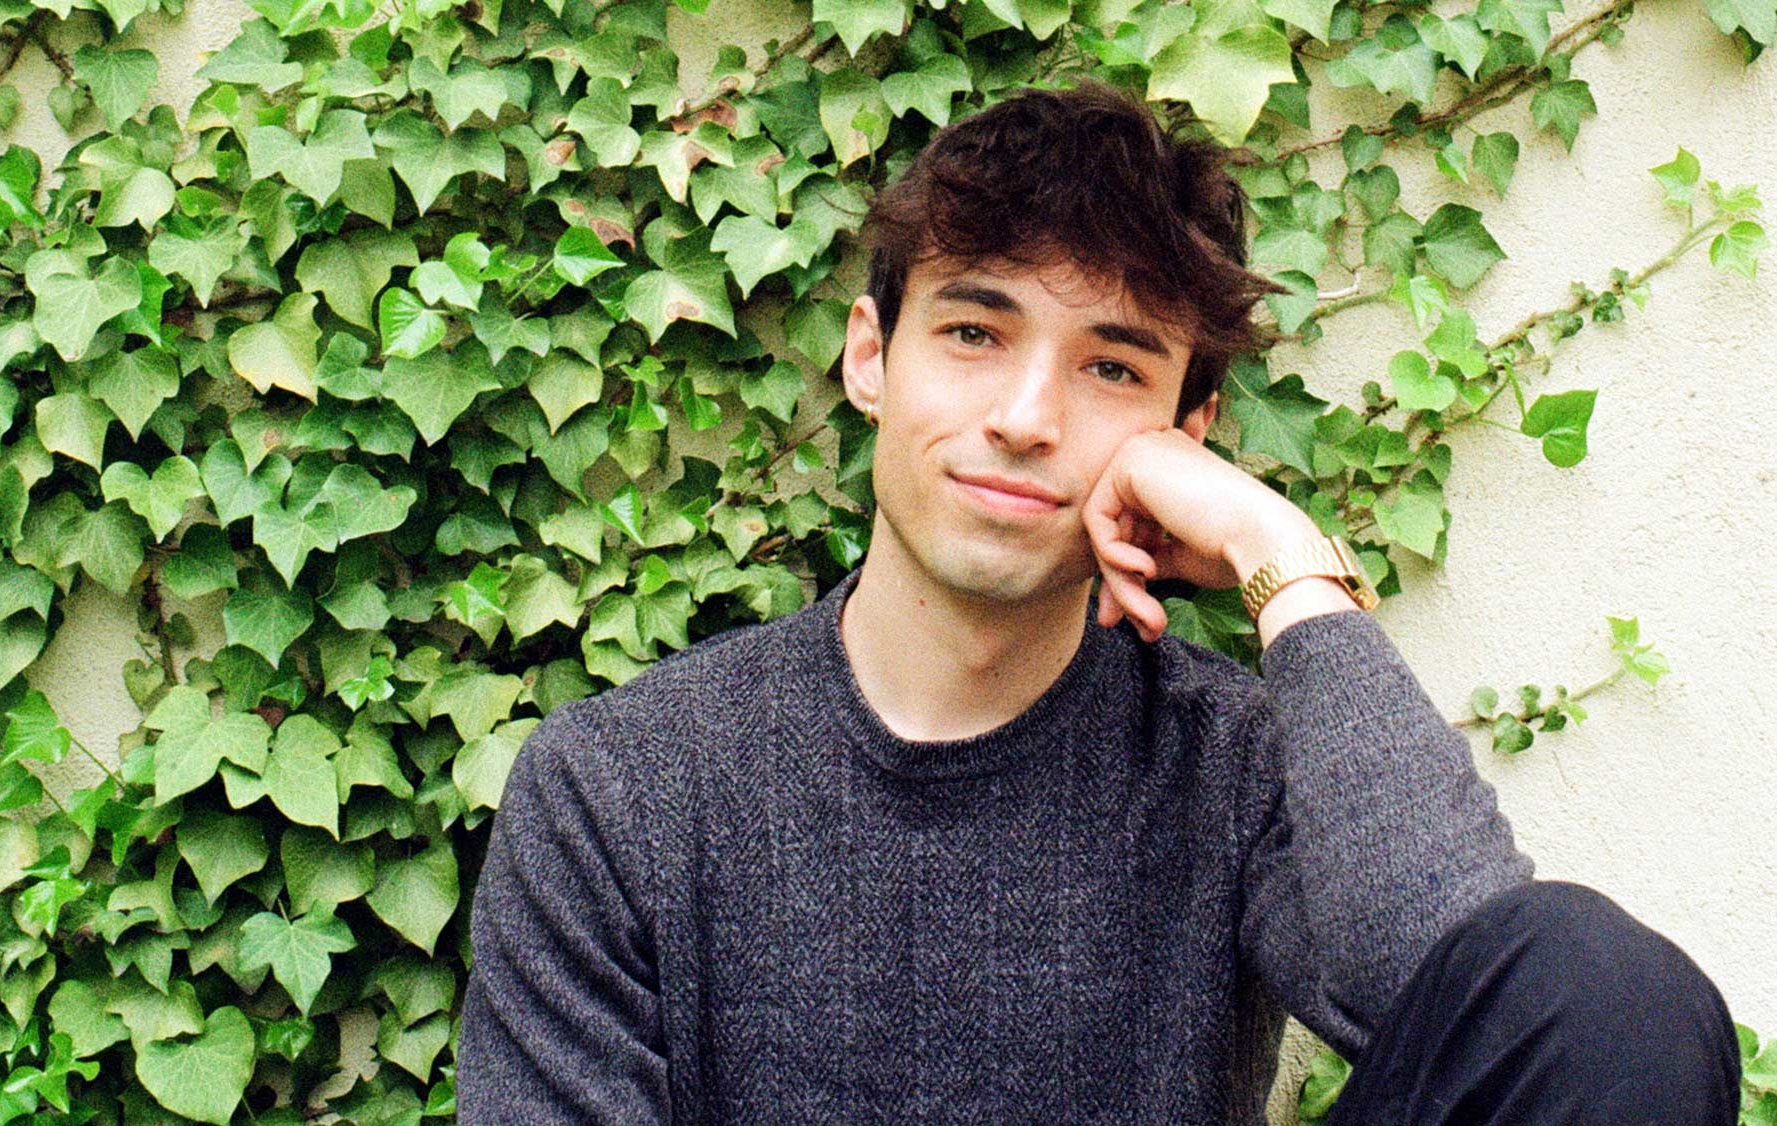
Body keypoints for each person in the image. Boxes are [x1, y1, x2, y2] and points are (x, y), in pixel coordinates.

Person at [457, 80, 1741, 1123]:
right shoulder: (619, 786)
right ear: (869, 358)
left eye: (1109, 366)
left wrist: (1272, 547)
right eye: (973, 333)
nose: (1023, 419)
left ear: (1189, 432)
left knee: (1609, 995)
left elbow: (1479, 986)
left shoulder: (1229, 765)